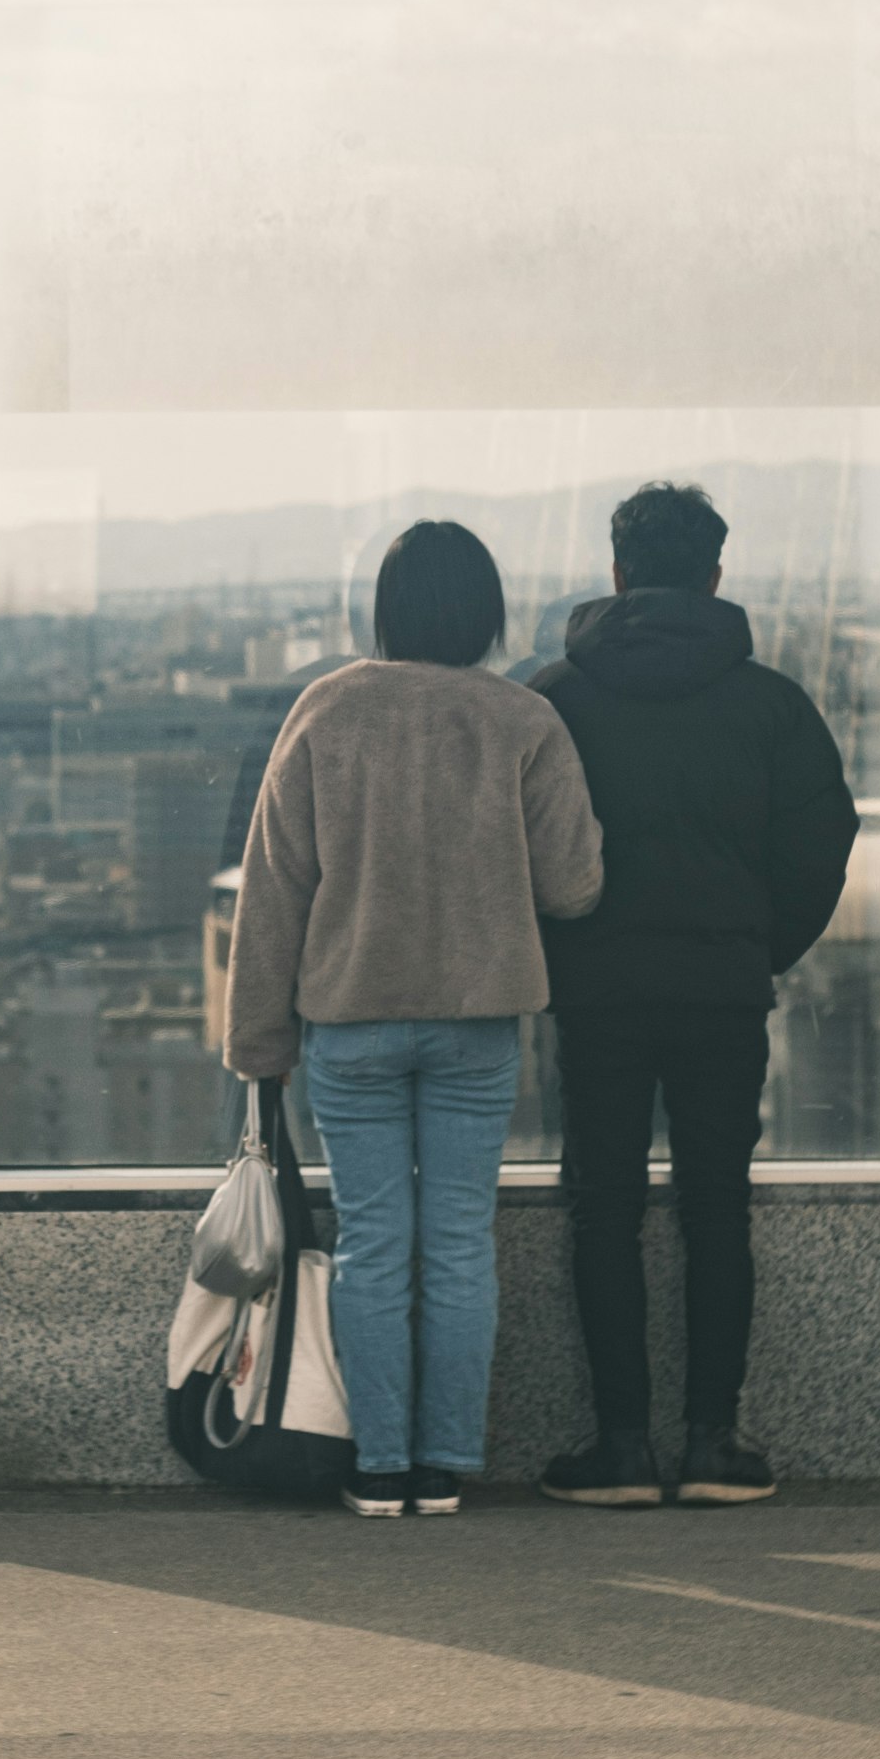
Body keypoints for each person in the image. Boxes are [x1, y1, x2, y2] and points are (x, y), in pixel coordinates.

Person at [223, 519, 605, 1518]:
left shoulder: (327, 710)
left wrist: (257, 1045)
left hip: (350, 1018)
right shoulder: (524, 723)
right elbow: (574, 886)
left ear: (383, 610)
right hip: (478, 1019)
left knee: (375, 1243)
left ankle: (381, 1464)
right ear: (487, 613)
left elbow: (274, 892)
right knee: (459, 1242)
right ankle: (444, 1464)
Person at [530, 481, 858, 1509]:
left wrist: (559, 949)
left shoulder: (555, 700)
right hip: (722, 988)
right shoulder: (771, 704)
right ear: (716, 577)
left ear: (618, 573)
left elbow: (516, 850)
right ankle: (715, 1441)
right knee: (718, 1206)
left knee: (604, 1207)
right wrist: (757, 945)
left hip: (596, 989)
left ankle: (622, 1446)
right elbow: (822, 847)